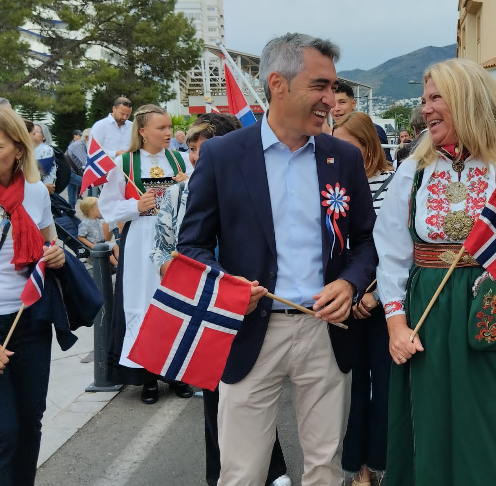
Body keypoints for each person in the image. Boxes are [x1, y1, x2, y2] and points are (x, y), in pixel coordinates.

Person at [178, 32, 377, 486]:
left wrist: (348, 284)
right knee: (242, 471)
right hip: (248, 331)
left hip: (325, 333)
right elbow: (191, 245)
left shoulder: (343, 158)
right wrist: (227, 289)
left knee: (324, 468)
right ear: (277, 84)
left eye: (333, 87)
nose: (332, 99)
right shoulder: (222, 155)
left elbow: (366, 242)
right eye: (320, 86)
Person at [374, 59, 496, 486]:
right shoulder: (413, 170)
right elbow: (392, 253)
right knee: (433, 430)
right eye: (424, 100)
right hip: (429, 318)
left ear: (467, 100)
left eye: (436, 98)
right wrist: (395, 323)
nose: (426, 109)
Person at [150, 114, 291, 486]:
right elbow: (162, 253)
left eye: (205, 148)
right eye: (193, 148)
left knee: (253, 396)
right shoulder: (175, 195)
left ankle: (272, 468)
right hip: (205, 308)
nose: (197, 156)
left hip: (253, 308)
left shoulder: (255, 189)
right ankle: (221, 475)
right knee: (216, 398)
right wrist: (189, 278)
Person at [98, 104, 193, 405]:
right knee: (144, 303)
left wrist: (186, 189)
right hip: (139, 241)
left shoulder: (179, 161)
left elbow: (200, 199)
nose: (168, 133)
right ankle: (147, 377)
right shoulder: (124, 163)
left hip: (173, 242)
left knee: (174, 304)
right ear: (143, 131)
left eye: (169, 128)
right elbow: (107, 207)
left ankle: (176, 372)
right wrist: (134, 207)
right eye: (162, 128)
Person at [0, 106, 66, 485]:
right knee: (4, 432)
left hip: (29, 320)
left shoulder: (36, 191)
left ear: (19, 150)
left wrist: (55, 253)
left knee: (30, 421)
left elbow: (49, 242)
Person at [331, 111, 393, 486]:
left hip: (384, 302)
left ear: (367, 145)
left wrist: (372, 295)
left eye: (345, 145)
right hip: (343, 301)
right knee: (350, 389)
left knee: (385, 387)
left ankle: (386, 462)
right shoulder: (331, 186)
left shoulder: (397, 182)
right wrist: (348, 290)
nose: (336, 153)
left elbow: (398, 248)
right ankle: (359, 468)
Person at [332, 81, 392, 162]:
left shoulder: (373, 130)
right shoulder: (328, 133)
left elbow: (384, 163)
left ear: (353, 104)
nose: (336, 108)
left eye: (342, 102)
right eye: (332, 103)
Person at [77, 197, 118, 265]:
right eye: (99, 208)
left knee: (116, 246)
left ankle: (121, 261)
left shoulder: (97, 220)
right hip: (95, 245)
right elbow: (80, 237)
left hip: (102, 243)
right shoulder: (85, 224)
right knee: (107, 251)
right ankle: (117, 265)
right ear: (92, 211)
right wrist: (91, 245)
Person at [28, 124, 57, 194]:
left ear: (44, 137)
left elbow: (41, 171)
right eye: (32, 131)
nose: (34, 132)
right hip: (33, 187)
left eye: (37, 131)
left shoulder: (47, 149)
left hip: (44, 189)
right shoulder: (29, 150)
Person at [66, 130, 87, 208]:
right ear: (75, 136)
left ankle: (69, 214)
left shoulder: (76, 144)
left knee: (72, 200)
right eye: (79, 135)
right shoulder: (78, 145)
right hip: (71, 172)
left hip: (69, 171)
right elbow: (85, 162)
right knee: (89, 183)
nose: (80, 137)